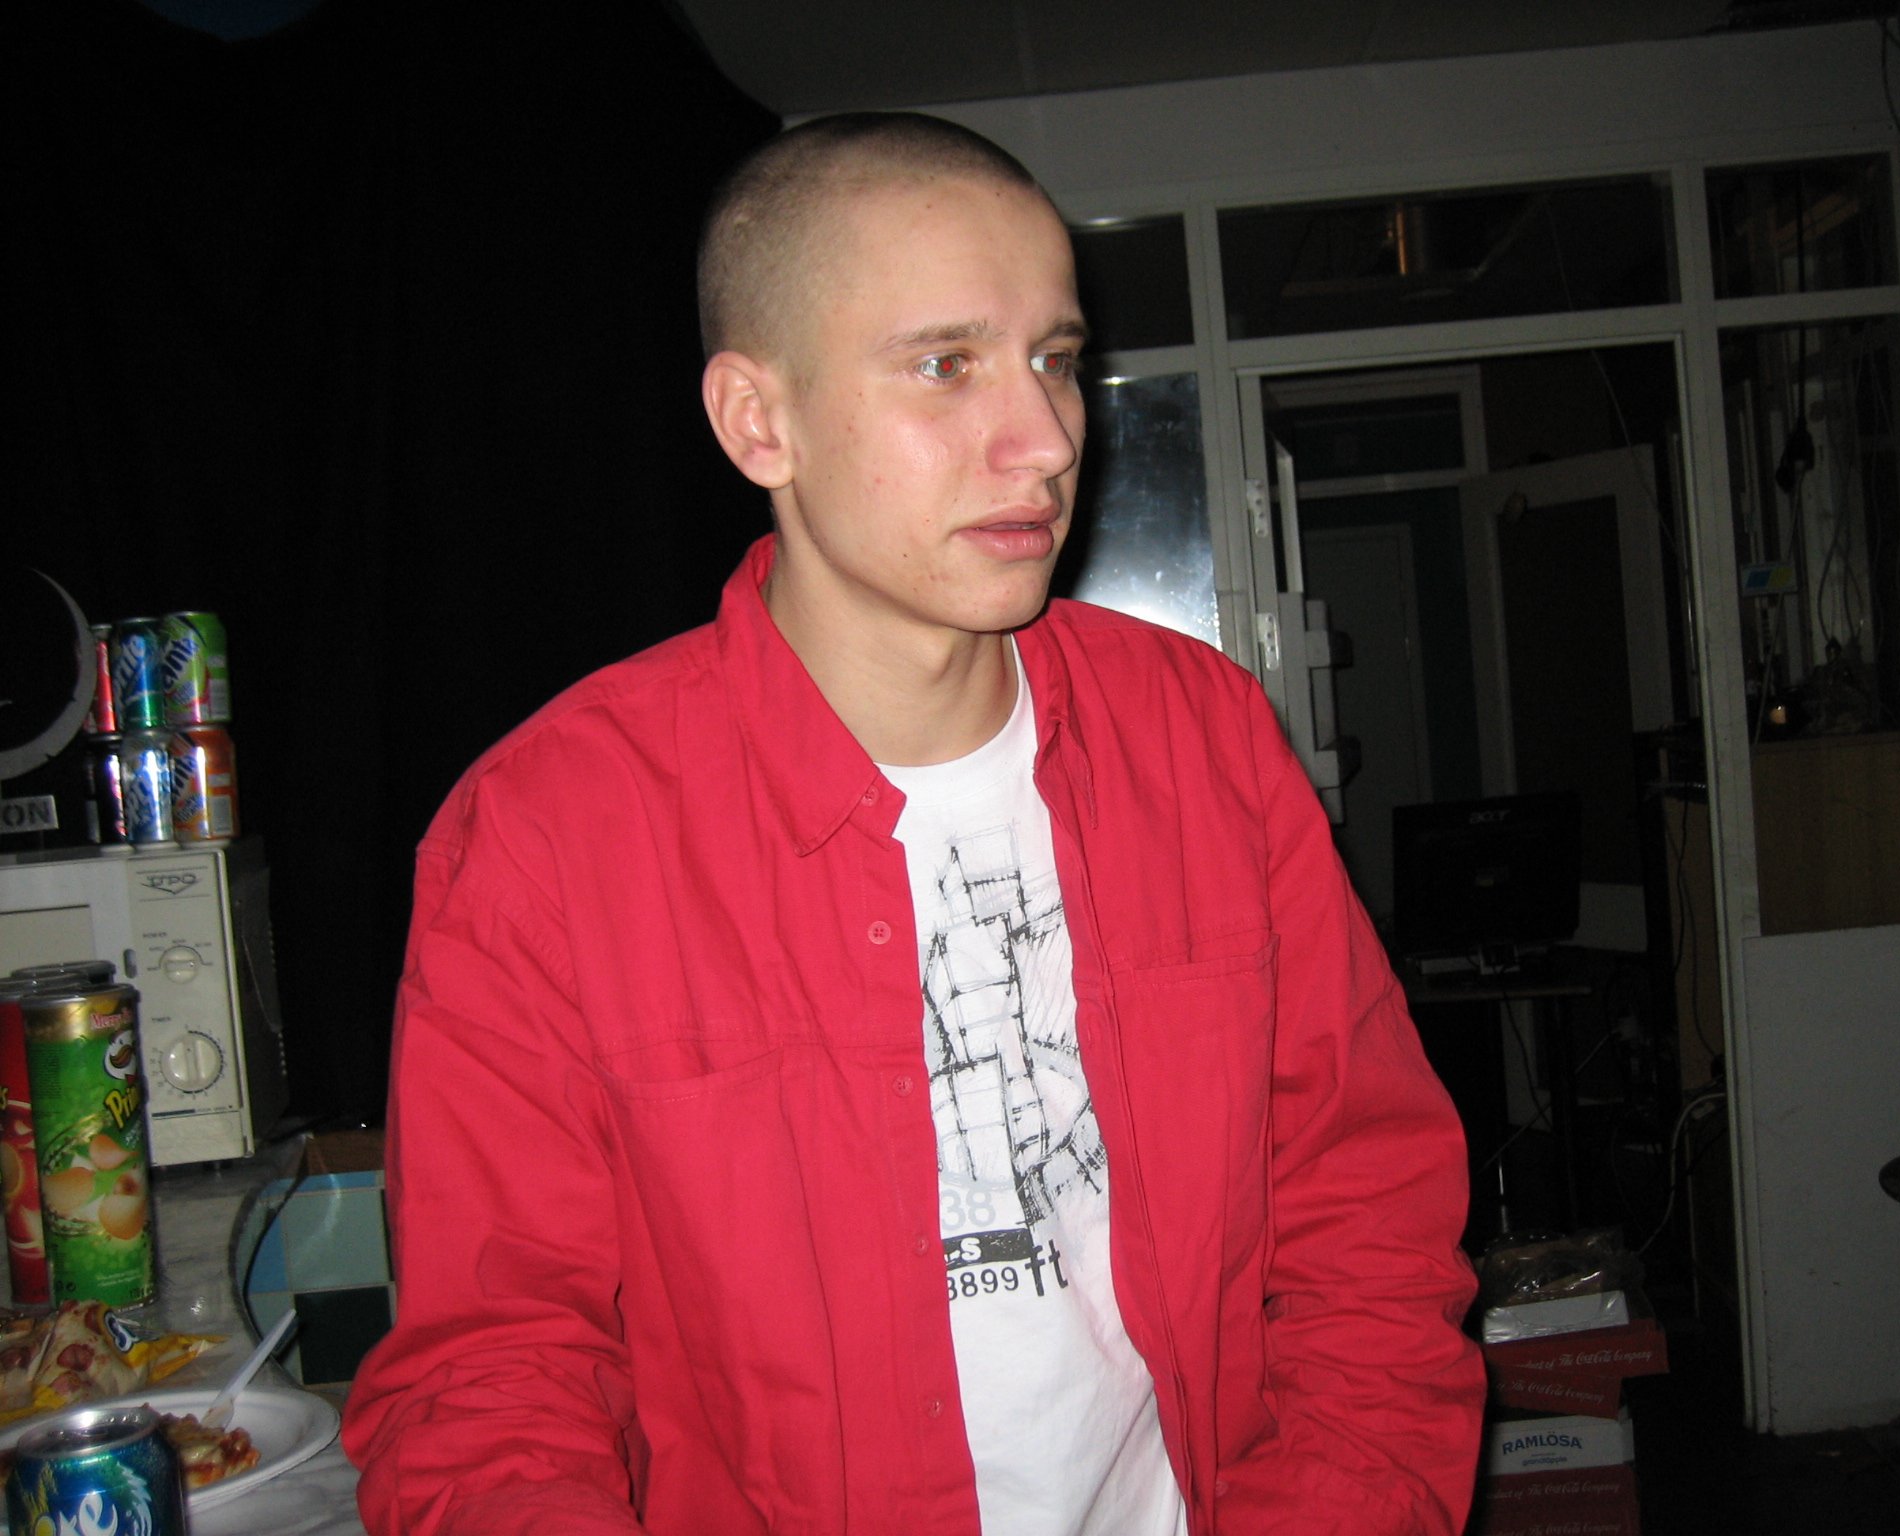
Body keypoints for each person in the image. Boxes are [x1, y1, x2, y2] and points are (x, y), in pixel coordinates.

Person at [342, 112, 1484, 1536]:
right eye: (947, 365)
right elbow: (492, 1389)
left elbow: (1369, 1225)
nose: (1045, 439)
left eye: (1055, 359)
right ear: (759, 422)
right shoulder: (547, 839)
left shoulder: (1203, 745)